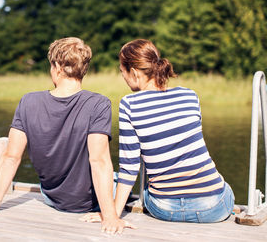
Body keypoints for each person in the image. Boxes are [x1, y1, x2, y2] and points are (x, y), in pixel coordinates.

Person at [0, 37, 134, 234]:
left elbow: (11, 157)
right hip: (88, 202)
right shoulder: (98, 103)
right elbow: (99, 161)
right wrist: (110, 216)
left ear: (57, 67)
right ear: (84, 69)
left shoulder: (28, 102)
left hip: (52, 198)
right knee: (118, 178)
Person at [83, 39, 234, 223]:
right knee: (223, 186)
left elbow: (129, 168)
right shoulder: (189, 95)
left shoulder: (129, 105)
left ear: (134, 72)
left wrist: (111, 215)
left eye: (122, 71)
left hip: (164, 209)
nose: (122, 77)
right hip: (213, 208)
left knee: (144, 189)